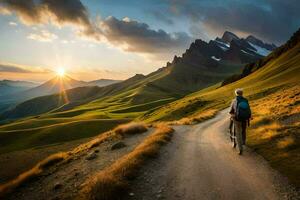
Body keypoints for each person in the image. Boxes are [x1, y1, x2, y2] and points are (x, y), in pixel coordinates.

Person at [229, 88, 251, 155]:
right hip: (244, 118)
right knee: (243, 130)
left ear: (236, 94)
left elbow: (231, 111)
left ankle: (240, 149)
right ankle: (243, 142)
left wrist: (232, 115)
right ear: (242, 93)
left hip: (237, 119)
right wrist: (248, 117)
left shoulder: (234, 101)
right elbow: (248, 109)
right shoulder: (246, 100)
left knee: (237, 133)